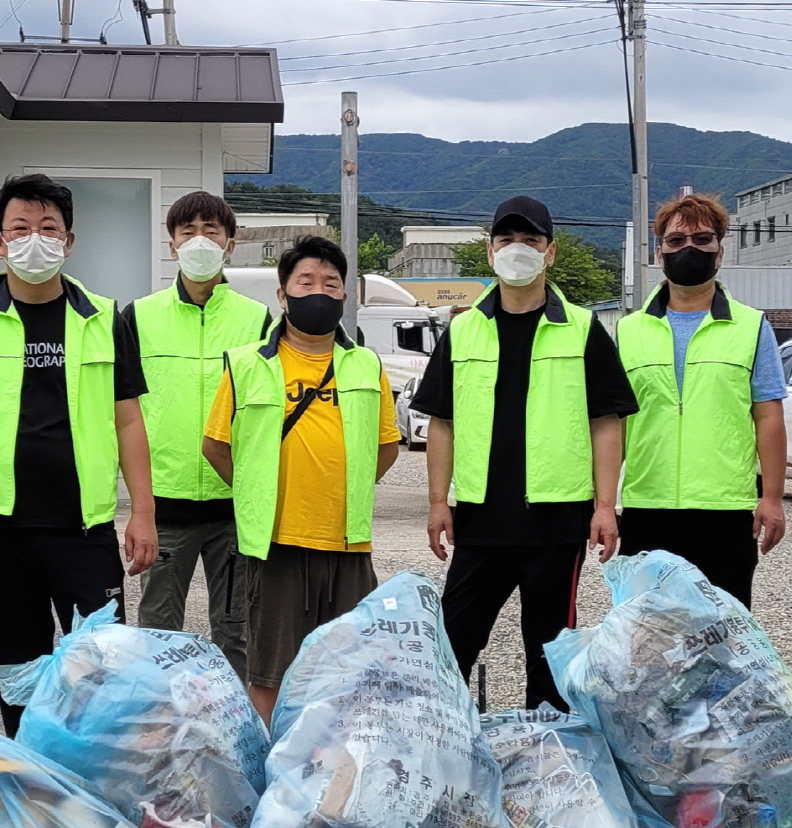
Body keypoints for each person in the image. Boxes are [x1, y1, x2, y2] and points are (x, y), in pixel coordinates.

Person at [0, 173, 158, 735]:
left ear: (69, 240)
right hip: (0, 529)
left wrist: (144, 512)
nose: (34, 240)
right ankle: (30, 777)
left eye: (48, 228)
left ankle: (96, 780)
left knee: (102, 672)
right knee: (17, 669)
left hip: (81, 528)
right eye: (20, 228)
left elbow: (128, 419)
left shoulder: (105, 318)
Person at [410, 195, 634, 710]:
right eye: (506, 240)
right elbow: (440, 423)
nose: (518, 250)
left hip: (557, 520)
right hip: (482, 518)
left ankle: (549, 766)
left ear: (550, 252)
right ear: (489, 253)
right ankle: (443, 752)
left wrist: (604, 506)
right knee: (452, 646)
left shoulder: (581, 328)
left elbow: (606, 423)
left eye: (530, 240)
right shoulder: (464, 329)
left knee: (550, 656)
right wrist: (438, 502)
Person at [202, 234, 401, 719]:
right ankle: (270, 782)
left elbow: (387, 447)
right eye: (305, 281)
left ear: (345, 296)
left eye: (330, 283)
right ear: (282, 294)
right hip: (276, 543)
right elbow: (216, 446)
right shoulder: (247, 364)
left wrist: (343, 489)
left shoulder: (366, 364)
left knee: (350, 675)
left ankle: (335, 776)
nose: (318, 291)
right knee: (269, 675)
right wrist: (256, 492)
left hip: (348, 545)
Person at [616, 192, 789, 606]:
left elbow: (768, 417)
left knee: (722, 640)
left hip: (725, 510)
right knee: (644, 640)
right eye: (676, 241)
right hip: (646, 506)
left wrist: (773, 497)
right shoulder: (628, 331)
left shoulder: (751, 326)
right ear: (659, 252)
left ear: (720, 250)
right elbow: (614, 425)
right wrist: (602, 503)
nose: (688, 249)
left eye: (702, 240)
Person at [131, 190, 271, 674]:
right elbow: (121, 409)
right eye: (187, 231)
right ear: (171, 244)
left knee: (237, 631)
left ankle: (237, 734)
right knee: (156, 632)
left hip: (233, 505)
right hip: (162, 506)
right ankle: (162, 732)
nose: (199, 240)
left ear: (230, 243)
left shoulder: (256, 319)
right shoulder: (139, 317)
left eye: (211, 230)